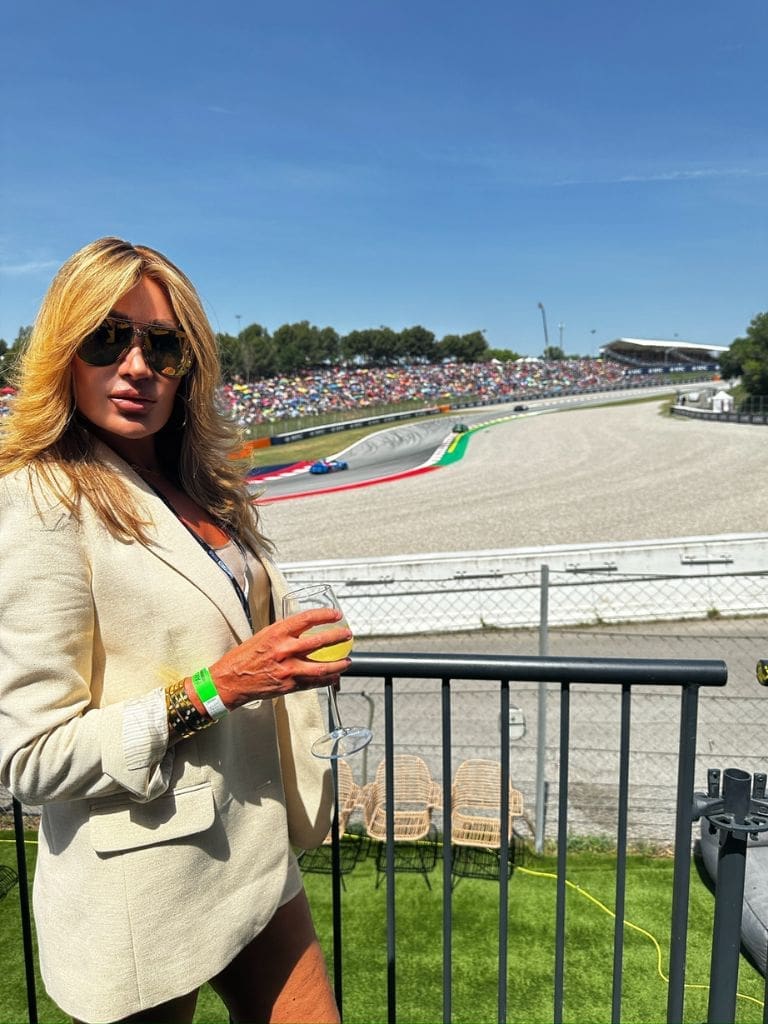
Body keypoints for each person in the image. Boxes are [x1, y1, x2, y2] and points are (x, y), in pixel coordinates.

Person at [0, 237, 352, 1024]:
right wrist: (218, 688)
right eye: (106, 338)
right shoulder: (39, 502)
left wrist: (285, 656)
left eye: (163, 345)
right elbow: (29, 759)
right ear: (64, 351)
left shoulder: (201, 486)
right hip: (145, 881)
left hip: (253, 850)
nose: (136, 366)